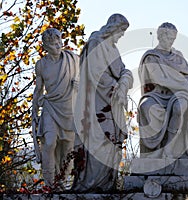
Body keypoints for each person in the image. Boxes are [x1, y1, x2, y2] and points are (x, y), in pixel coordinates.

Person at [72, 14, 133, 192]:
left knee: (111, 143)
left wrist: (123, 83)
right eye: (121, 31)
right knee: (98, 140)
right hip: (96, 103)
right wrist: (118, 86)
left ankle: (106, 184)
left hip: (111, 104)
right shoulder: (96, 42)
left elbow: (124, 70)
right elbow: (96, 75)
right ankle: (91, 183)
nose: (122, 35)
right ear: (113, 27)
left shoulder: (113, 49)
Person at [138, 22, 188, 159]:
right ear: (160, 36)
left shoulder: (178, 55)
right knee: (146, 106)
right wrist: (186, 87)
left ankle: (170, 149)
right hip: (157, 95)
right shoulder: (151, 56)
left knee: (180, 106)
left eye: (173, 39)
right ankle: (152, 151)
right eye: (169, 38)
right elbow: (160, 79)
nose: (171, 42)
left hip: (178, 94)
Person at [32, 28, 79, 190]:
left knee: (68, 148)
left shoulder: (73, 60)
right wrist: (34, 111)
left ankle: (63, 183)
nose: (59, 45)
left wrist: (79, 85)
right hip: (50, 106)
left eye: (60, 41)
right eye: (54, 43)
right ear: (46, 46)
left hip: (69, 108)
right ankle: (50, 184)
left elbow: (87, 77)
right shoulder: (41, 65)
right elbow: (39, 90)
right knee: (49, 142)